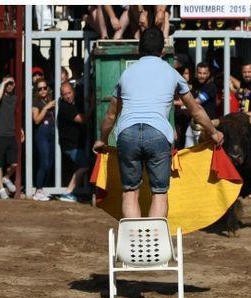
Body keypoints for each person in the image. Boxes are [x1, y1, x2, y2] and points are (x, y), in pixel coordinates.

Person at [94, 27, 223, 219]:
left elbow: (111, 115)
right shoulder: (172, 73)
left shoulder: (127, 74)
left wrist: (102, 140)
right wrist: (213, 132)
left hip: (127, 133)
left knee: (130, 192)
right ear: (162, 51)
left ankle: (134, 242)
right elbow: (195, 110)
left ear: (139, 50)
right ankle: (156, 240)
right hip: (157, 133)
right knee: (159, 193)